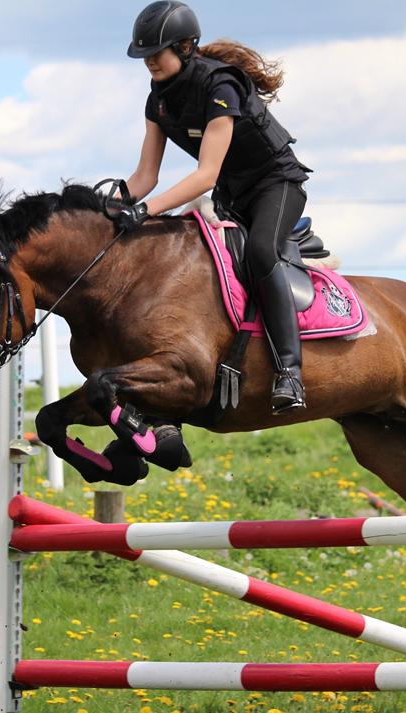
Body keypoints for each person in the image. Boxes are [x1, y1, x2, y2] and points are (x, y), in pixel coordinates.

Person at [115, 0, 312, 414]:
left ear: (186, 48)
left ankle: (290, 374)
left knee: (260, 253)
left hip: (276, 185)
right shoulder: (158, 99)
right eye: (144, 55)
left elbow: (205, 176)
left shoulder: (219, 85)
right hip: (233, 195)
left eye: (157, 52)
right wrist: (108, 209)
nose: (149, 61)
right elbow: (144, 177)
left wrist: (146, 211)